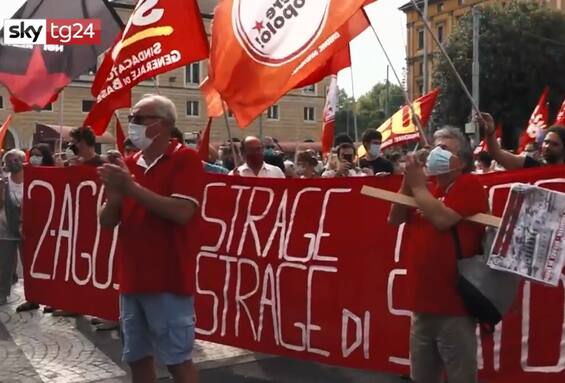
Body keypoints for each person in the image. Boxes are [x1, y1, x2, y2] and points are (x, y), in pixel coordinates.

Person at [99, 94, 202, 383]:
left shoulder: (185, 159)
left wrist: (130, 188)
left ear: (163, 124)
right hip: (132, 280)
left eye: (138, 119)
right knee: (137, 359)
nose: (131, 124)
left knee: (177, 362)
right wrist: (115, 197)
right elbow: (106, 221)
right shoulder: (127, 164)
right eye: (131, 118)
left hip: (168, 280)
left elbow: (183, 211)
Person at [388, 126, 488, 383]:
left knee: (459, 377)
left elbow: (443, 220)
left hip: (454, 307)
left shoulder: (469, 185)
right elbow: (395, 218)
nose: (436, 153)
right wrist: (407, 182)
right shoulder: (428, 188)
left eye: (444, 148)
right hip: (422, 305)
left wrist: (418, 187)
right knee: (422, 377)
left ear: (462, 161)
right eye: (434, 147)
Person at [481, 113, 565, 169]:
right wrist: (490, 133)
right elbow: (497, 154)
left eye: (555, 144)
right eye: (546, 142)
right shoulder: (530, 165)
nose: (547, 146)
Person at [0, 149, 24, 306]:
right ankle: (2, 293)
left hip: (27, 230)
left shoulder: (32, 180)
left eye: (16, 160)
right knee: (4, 265)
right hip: (5, 228)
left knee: (31, 265)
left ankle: (35, 296)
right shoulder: (3, 181)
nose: (13, 163)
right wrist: (1, 192)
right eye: (9, 160)